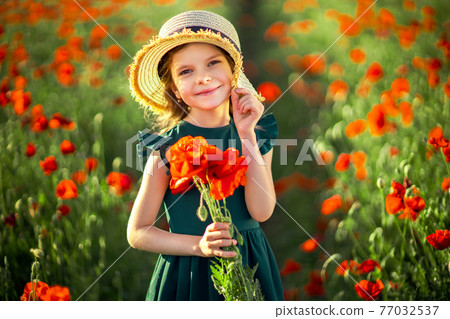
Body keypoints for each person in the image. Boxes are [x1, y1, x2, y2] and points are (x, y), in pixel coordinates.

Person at [127, 10, 284, 301]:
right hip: (188, 275)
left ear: (233, 72)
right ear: (174, 87)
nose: (203, 78)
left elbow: (261, 212)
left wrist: (247, 134)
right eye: (186, 71)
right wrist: (199, 245)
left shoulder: (256, 135)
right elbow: (137, 232)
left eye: (213, 63)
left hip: (249, 264)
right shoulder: (165, 148)